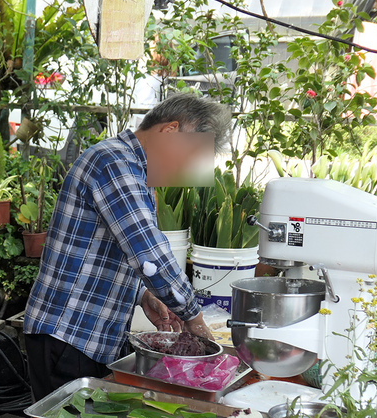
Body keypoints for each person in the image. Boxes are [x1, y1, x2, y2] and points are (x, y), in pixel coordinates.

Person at [23, 93, 229, 400]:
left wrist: (144, 296)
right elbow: (149, 254)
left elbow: (101, 252)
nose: (184, 170)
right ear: (170, 131)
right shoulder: (114, 163)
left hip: (82, 336)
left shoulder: (130, 167)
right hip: (69, 336)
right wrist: (193, 317)